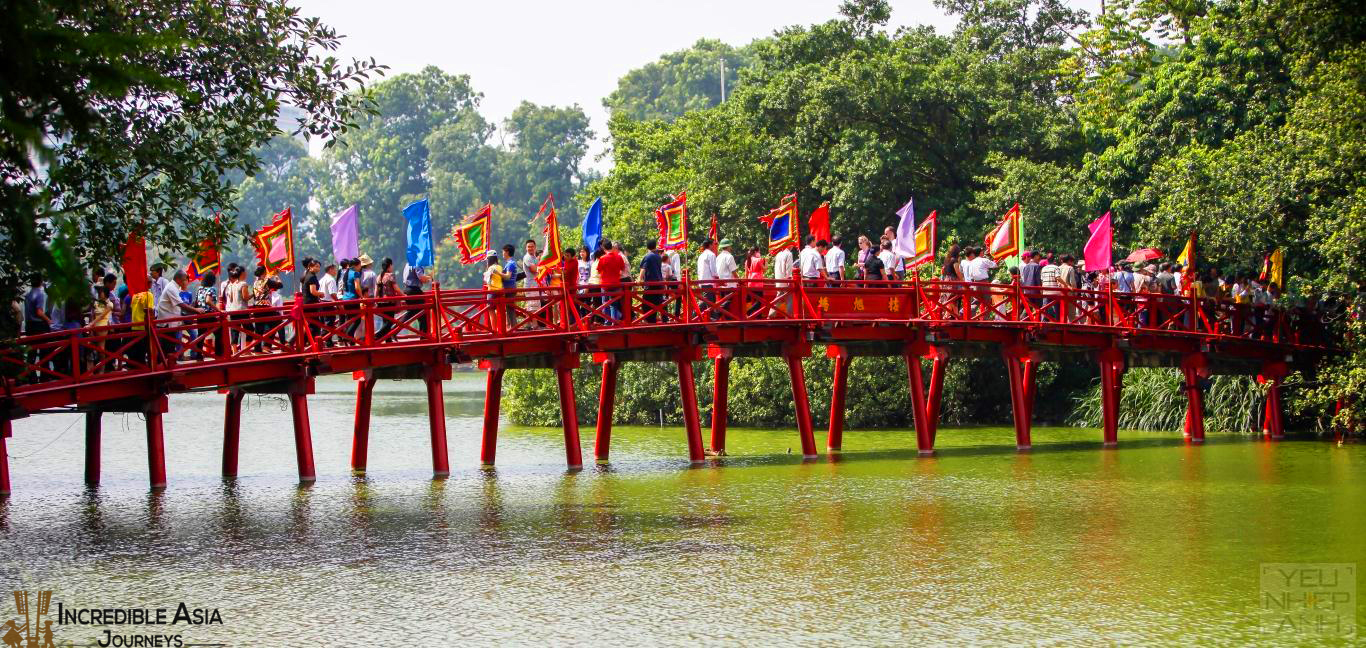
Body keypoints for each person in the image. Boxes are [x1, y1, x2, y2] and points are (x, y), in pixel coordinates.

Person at [597, 241, 627, 323]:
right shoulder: (619, 257)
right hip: (616, 283)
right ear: (611, 247)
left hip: (605, 284)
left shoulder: (602, 258)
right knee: (614, 304)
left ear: (603, 248)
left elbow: (599, 271)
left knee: (605, 304)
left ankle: (607, 322)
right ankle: (615, 321)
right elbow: (623, 269)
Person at [638, 240, 665, 322]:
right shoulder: (658, 256)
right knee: (657, 305)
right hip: (659, 284)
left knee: (646, 306)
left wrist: (639, 279)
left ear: (647, 247)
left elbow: (643, 268)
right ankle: (660, 320)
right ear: (655, 246)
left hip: (651, 285)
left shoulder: (648, 256)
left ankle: (650, 322)